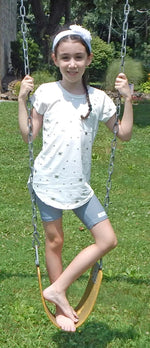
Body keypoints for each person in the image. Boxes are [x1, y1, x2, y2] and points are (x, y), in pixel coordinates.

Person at [18, 25, 133, 332]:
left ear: (88, 59)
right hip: (46, 181)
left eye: (78, 57)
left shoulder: (98, 99)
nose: (72, 64)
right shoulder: (46, 93)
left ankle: (58, 287)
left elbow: (123, 134)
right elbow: (29, 136)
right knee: (55, 242)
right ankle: (60, 306)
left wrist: (128, 99)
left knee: (107, 239)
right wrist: (21, 100)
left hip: (79, 185)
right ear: (55, 59)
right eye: (65, 57)